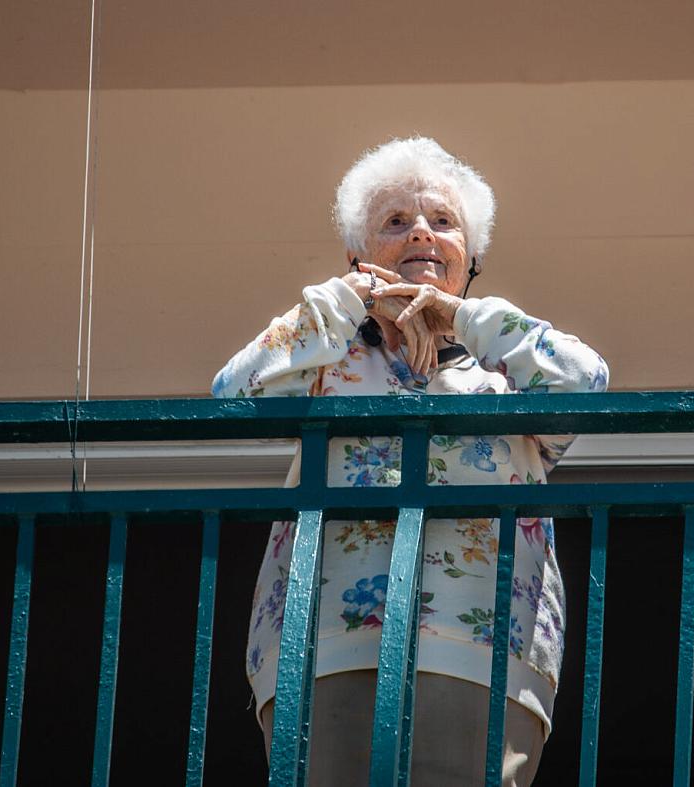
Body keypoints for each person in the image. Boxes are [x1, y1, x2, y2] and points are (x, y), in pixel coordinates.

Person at [212, 137, 609, 785]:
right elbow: (232, 397)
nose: (421, 231)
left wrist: (464, 318)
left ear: (471, 257)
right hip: (329, 647)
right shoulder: (328, 362)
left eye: (443, 222)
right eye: (395, 222)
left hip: (483, 651)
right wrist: (345, 302)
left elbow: (585, 382)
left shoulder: (503, 373)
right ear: (359, 257)